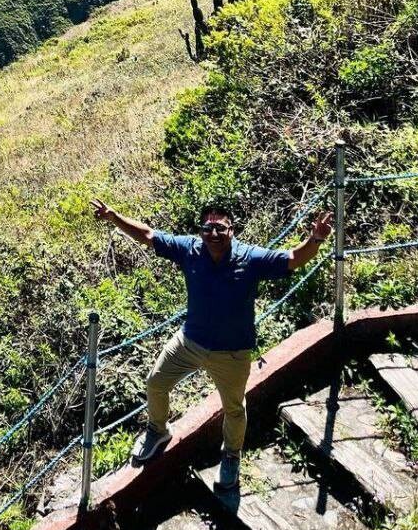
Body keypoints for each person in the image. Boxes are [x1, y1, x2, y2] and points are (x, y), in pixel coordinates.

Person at [90, 197, 332, 491]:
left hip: (232, 353)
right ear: (200, 231)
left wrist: (315, 240)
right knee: (156, 383)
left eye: (220, 228)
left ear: (232, 230)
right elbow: (149, 236)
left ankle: (231, 455)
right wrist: (115, 216)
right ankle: (158, 431)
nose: (213, 234)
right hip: (190, 342)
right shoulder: (189, 250)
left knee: (233, 409)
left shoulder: (250, 258)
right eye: (207, 228)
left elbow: (292, 259)